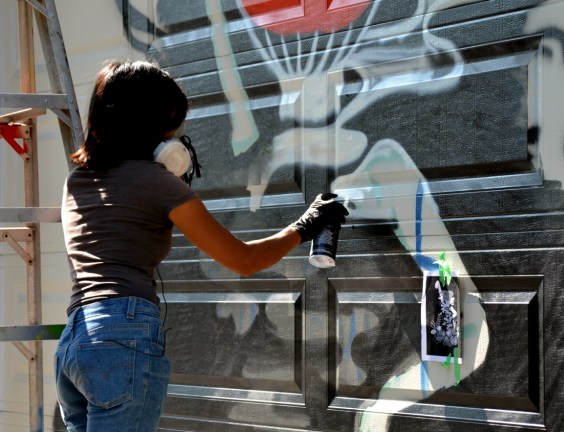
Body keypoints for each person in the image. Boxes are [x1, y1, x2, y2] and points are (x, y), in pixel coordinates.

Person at [54, 60, 348, 432]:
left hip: (75, 341)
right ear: (149, 125)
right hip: (122, 336)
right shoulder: (158, 183)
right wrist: (306, 226)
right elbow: (243, 260)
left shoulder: (77, 180)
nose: (174, 136)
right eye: (170, 124)